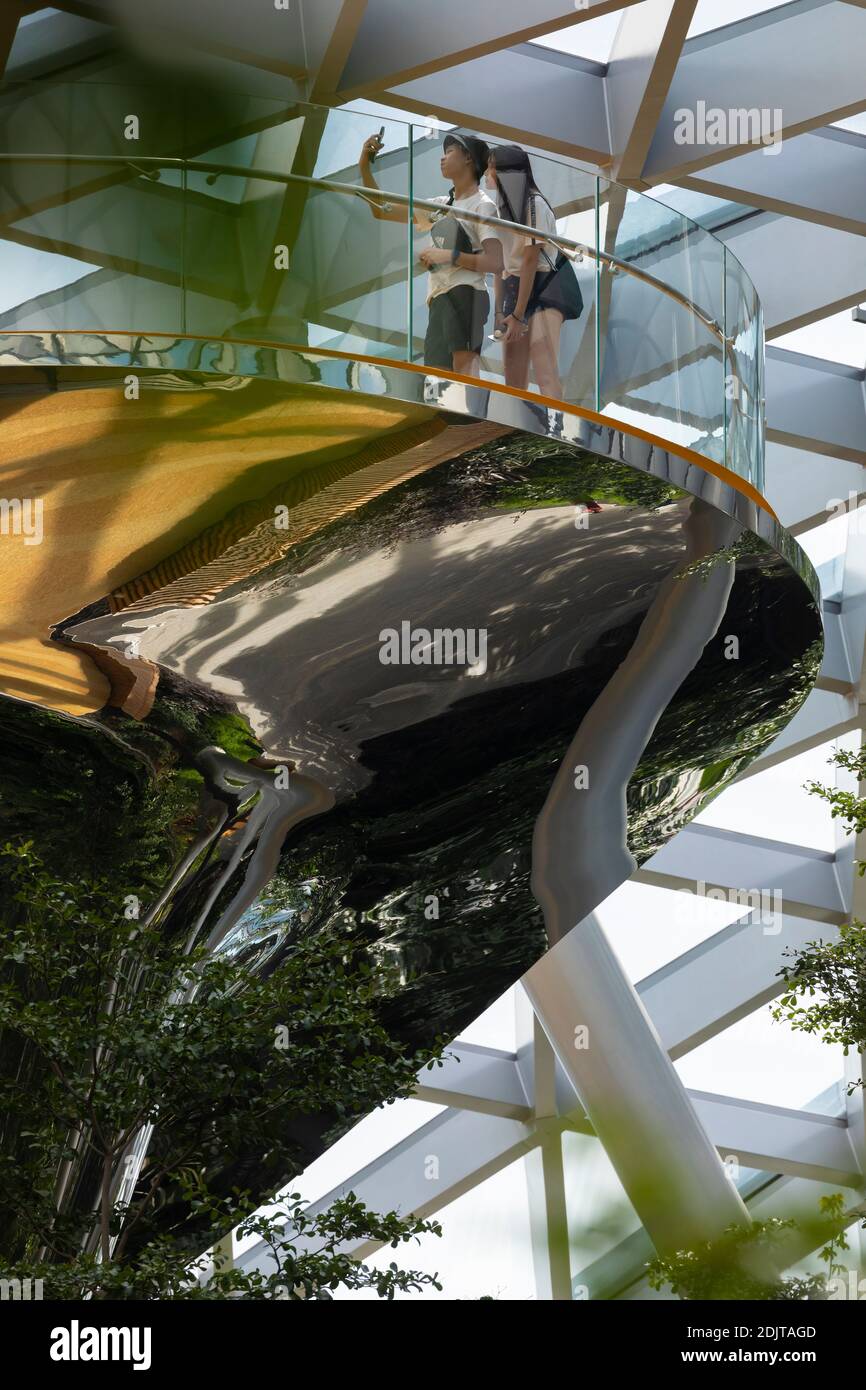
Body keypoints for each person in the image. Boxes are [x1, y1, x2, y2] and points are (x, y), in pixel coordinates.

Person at [359, 129, 502, 375]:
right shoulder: (440, 205)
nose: (442, 158)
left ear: (468, 158)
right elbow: (381, 210)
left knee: (465, 369)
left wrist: (448, 256)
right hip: (439, 297)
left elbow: (495, 262)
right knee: (436, 377)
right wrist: (364, 164)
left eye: (449, 152)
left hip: (467, 292)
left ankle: (469, 414)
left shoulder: (483, 205)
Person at [484, 144, 583, 399]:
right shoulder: (500, 209)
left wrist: (517, 315)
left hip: (545, 283)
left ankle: (556, 427)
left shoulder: (533, 203)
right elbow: (501, 266)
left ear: (507, 171)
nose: (487, 173)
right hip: (515, 285)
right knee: (513, 379)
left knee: (544, 369)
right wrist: (501, 311)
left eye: (492, 167)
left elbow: (530, 260)